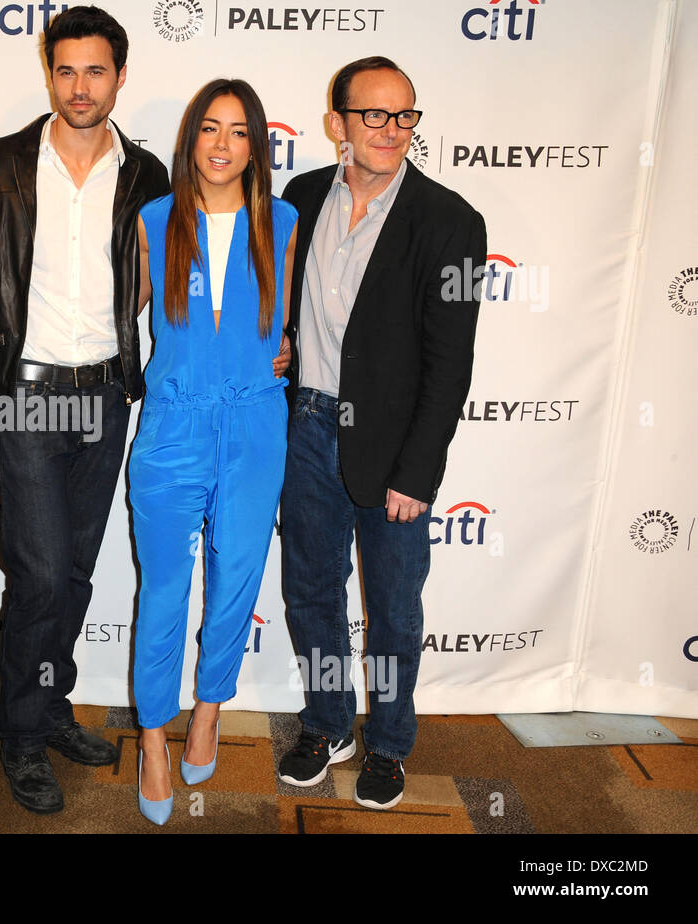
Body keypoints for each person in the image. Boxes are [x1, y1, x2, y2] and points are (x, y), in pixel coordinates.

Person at [0, 5, 170, 815]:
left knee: (76, 570)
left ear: (120, 76)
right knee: (40, 568)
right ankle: (19, 732)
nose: (80, 87)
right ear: (47, 73)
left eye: (96, 71)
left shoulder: (148, 174)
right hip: (26, 392)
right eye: (66, 69)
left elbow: (166, 276)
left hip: (106, 393)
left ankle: (49, 704)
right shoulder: (3, 161)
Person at [275, 57, 485, 809]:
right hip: (306, 429)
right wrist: (285, 346)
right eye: (375, 115)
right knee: (310, 593)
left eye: (406, 117)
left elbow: (449, 363)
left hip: (393, 448)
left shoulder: (450, 220)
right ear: (337, 124)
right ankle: (329, 723)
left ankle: (389, 743)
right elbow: (289, 309)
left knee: (393, 608)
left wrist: (417, 474)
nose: (393, 131)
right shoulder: (299, 199)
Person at [129, 80, 297, 825]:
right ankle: (154, 737)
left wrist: (285, 347)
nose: (223, 144)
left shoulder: (284, 221)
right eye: (209, 128)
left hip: (256, 426)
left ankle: (209, 707)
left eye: (239, 131)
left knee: (235, 581)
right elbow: (116, 314)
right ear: (190, 140)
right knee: (164, 589)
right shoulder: (154, 219)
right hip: (172, 424)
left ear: (256, 146)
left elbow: (284, 323)